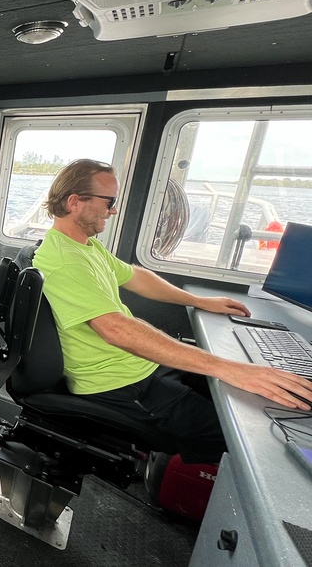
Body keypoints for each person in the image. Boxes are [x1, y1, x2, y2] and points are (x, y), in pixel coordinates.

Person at [32, 158, 312, 463]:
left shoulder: (85, 246)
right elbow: (116, 330)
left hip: (141, 368)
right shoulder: (64, 260)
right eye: (109, 201)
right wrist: (230, 368)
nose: (113, 210)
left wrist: (199, 301)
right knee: (259, 441)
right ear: (75, 202)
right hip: (121, 384)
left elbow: (137, 277)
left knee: (258, 397)